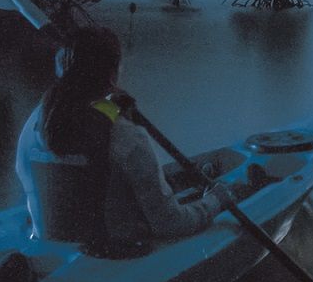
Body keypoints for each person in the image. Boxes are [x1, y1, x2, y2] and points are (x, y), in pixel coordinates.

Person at [17, 23, 262, 256]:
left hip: (50, 250)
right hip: (116, 258)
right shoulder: (127, 137)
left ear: (61, 69)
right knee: (196, 200)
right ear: (112, 73)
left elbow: (78, 136)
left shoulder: (34, 123)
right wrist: (216, 201)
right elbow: (170, 225)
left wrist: (111, 108)